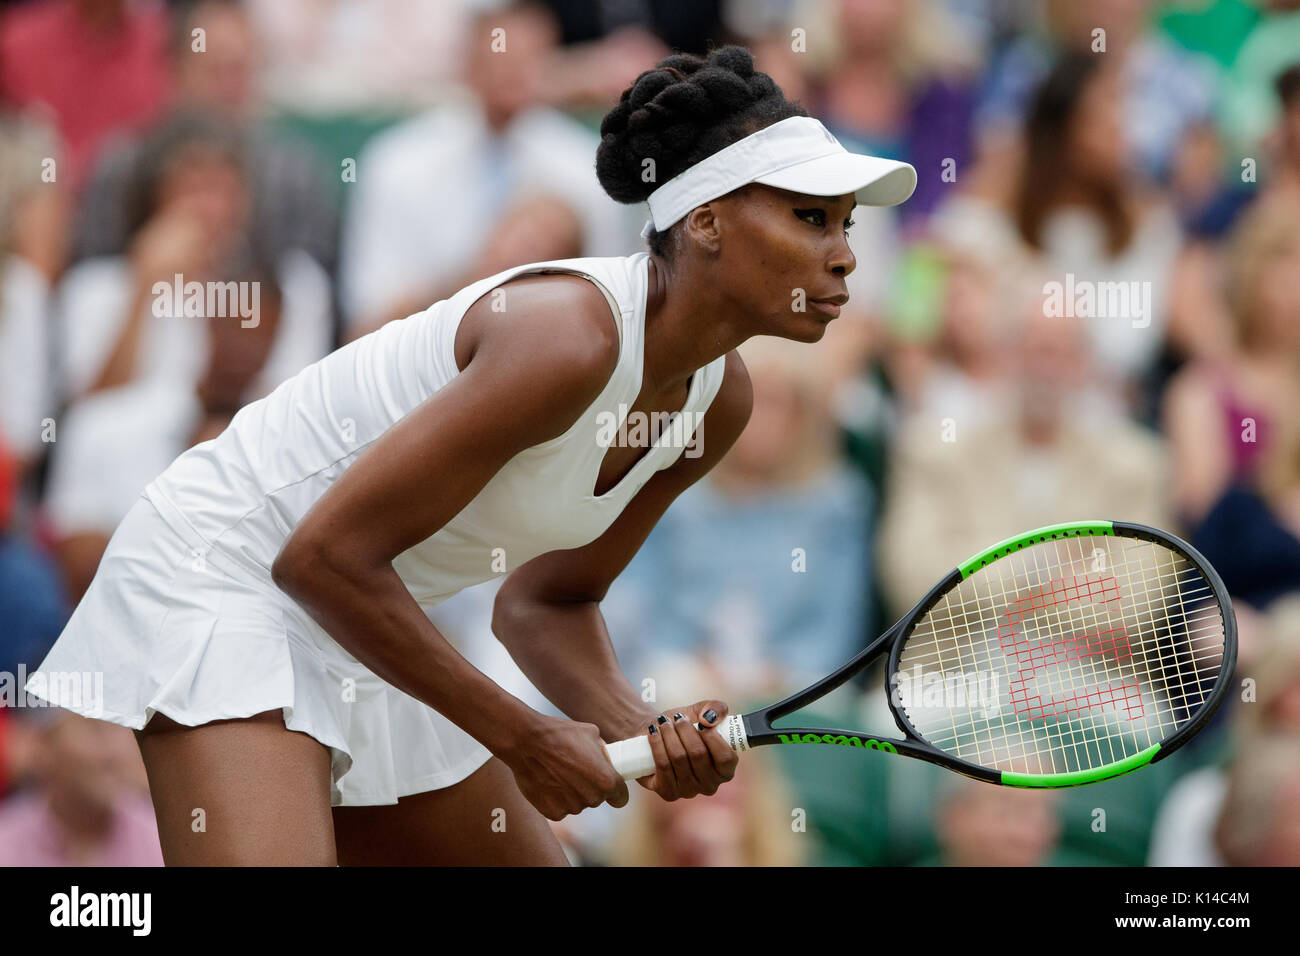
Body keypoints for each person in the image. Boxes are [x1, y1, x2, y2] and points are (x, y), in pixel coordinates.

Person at [26, 45, 918, 865]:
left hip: (367, 610)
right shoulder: (564, 337)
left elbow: (545, 602)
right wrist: (522, 735)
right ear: (710, 222)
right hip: (223, 574)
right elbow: (321, 558)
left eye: (844, 226)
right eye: (811, 219)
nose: (844, 258)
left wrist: (639, 728)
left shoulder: (718, 400)